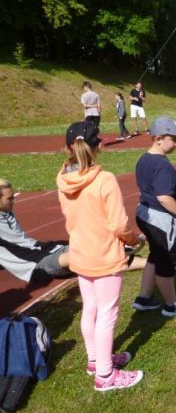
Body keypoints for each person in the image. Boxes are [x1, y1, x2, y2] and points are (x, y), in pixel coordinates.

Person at [56, 120, 144, 390]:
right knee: (107, 313)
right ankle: (105, 376)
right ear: (97, 146)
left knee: (91, 308)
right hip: (104, 255)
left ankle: (96, 360)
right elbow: (119, 224)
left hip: (80, 253)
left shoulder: (62, 179)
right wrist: (134, 240)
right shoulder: (104, 179)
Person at [0, 179, 145, 283]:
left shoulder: (7, 212)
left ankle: (146, 261)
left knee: (93, 247)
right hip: (35, 265)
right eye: (9, 198)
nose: (14, 200)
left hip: (47, 249)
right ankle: (143, 262)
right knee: (90, 254)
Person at [133, 116, 176, 317]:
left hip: (144, 213)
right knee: (166, 260)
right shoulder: (162, 165)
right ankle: (171, 305)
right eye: (173, 139)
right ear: (158, 138)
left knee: (155, 255)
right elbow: (164, 197)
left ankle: (144, 298)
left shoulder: (144, 159)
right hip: (160, 219)